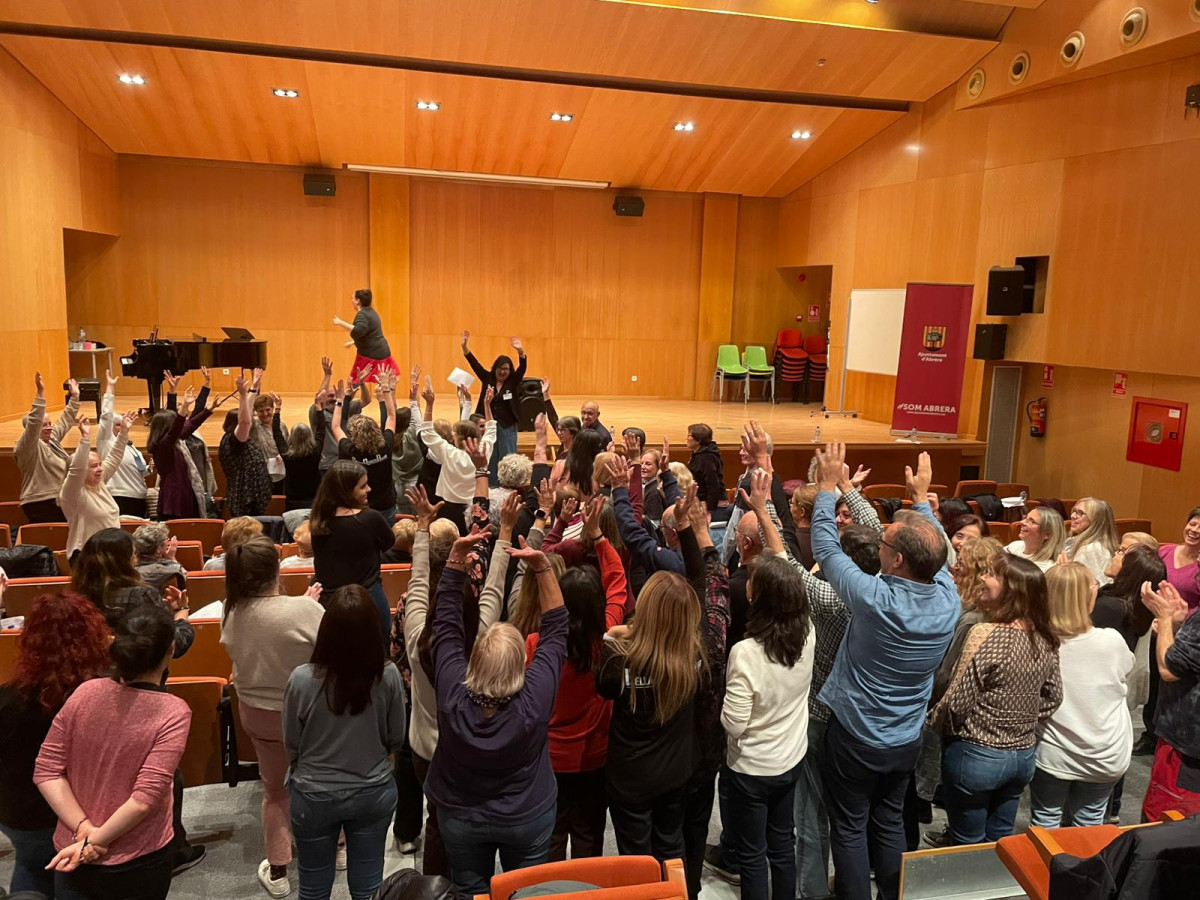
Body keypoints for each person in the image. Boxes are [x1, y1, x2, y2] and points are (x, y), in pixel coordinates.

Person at [811, 443, 959, 900]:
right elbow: (943, 555)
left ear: (896, 561)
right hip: (905, 739)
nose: (879, 542)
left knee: (850, 827)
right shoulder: (949, 595)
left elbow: (824, 546)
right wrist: (921, 499)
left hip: (856, 736)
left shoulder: (875, 600)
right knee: (889, 820)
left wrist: (824, 488)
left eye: (885, 543)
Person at [426, 524, 567, 895]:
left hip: (460, 816)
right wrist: (542, 568)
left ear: (473, 662)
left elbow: (446, 625)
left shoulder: (452, 692)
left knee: (470, 891)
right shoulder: (534, 698)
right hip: (526, 816)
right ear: (522, 664)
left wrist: (455, 561)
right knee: (526, 892)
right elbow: (556, 630)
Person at [34, 603, 191, 900]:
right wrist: (93, 841)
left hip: (72, 844)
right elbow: (144, 800)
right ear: (171, 650)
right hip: (135, 855)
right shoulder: (173, 711)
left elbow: (46, 770)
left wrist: (83, 831)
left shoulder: (85, 691)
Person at [283, 585, 406, 900]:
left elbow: (292, 743)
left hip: (313, 795)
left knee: (312, 887)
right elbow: (396, 737)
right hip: (373, 791)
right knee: (368, 887)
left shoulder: (300, 679)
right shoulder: (388, 676)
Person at [929, 554, 1062, 845]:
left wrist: (943, 727)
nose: (983, 580)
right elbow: (1053, 698)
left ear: (1011, 590)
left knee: (966, 843)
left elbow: (957, 703)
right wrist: (1017, 722)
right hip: (1023, 758)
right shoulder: (1045, 638)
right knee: (1002, 842)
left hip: (976, 755)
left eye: (991, 575)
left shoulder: (985, 634)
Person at [222, 536, 325, 898]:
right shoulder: (304, 610)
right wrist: (306, 607)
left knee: (275, 791)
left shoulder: (230, 609)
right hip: (306, 712)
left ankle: (279, 869)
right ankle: (339, 849)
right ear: (275, 568)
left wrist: (302, 607)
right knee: (324, 780)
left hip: (256, 713)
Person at [526, 498, 627, 861]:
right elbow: (618, 584)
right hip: (595, 758)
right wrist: (597, 536)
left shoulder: (537, 644)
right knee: (588, 834)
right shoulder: (609, 638)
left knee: (552, 836)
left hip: (549, 759)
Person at [0, 591, 112, 897]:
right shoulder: (108, 698)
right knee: (75, 877)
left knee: (32, 865)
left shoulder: (7, 700)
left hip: (20, 819)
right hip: (86, 820)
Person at [720, 554, 815, 900]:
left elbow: (734, 724)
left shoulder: (746, 652)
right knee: (781, 842)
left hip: (752, 769)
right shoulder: (807, 634)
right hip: (791, 759)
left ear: (759, 598)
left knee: (752, 853)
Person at [595, 567, 705, 862]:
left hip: (631, 780)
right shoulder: (695, 656)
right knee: (671, 849)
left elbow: (603, 685)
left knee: (636, 859)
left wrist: (611, 636)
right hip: (675, 773)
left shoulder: (619, 659)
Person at [1029, 563, 1132, 828]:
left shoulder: (1035, 642)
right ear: (1087, 597)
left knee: (1045, 824)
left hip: (1053, 754)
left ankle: (1044, 870)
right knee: (1088, 828)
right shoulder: (1111, 640)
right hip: (1104, 754)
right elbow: (1126, 670)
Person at [71, 528, 195, 659]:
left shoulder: (74, 600)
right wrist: (181, 611)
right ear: (127, 560)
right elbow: (173, 644)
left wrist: (163, 613)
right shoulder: (142, 596)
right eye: (134, 555)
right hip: (132, 675)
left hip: (91, 676)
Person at [310, 460, 395, 639]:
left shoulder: (318, 520)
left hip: (329, 605)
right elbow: (389, 542)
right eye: (363, 486)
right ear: (346, 491)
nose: (369, 489)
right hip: (368, 599)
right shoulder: (370, 518)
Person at [1138, 579, 1200, 819]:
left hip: (1187, 751)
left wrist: (1164, 620)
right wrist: (1176, 627)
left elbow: (1169, 668)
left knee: (1168, 828)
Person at [417, 388, 497, 533]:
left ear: (457, 437)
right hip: (475, 506)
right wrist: (487, 404)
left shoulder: (448, 452)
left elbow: (427, 432)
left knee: (447, 541)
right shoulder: (483, 451)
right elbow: (491, 430)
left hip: (448, 508)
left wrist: (429, 404)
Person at [460, 330, 528, 486]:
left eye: (506, 369)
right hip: (488, 425)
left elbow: (522, 367)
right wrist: (464, 346)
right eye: (500, 368)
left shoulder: (513, 381)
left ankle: (509, 485)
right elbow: (474, 363)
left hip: (507, 426)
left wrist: (520, 351)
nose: (503, 372)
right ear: (495, 368)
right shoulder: (487, 378)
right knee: (488, 455)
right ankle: (489, 485)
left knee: (508, 456)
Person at [60, 415, 132, 559]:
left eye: (99, 464)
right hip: (88, 557)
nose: (100, 469)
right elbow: (77, 470)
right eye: (93, 466)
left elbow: (114, 457)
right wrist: (85, 438)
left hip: (112, 552)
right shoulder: (72, 493)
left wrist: (123, 432)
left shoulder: (99, 484)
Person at [333, 370, 399, 522]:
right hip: (385, 506)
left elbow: (336, 426)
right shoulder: (385, 446)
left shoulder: (349, 450)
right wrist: (385, 390)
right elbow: (391, 416)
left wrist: (341, 400)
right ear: (376, 430)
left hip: (358, 508)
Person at [16, 373, 79, 522]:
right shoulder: (27, 446)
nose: (50, 428)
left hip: (58, 499)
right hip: (41, 502)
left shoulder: (51, 440)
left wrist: (74, 397)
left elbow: (65, 420)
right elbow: (34, 422)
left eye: (50, 424)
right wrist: (40, 393)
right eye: (44, 425)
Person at [147, 385, 215, 521]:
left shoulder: (175, 442)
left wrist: (209, 410)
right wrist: (184, 406)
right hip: (174, 500)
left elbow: (191, 426)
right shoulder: (163, 445)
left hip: (182, 495)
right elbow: (177, 429)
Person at [220, 370, 273, 519]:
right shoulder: (234, 441)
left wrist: (254, 388)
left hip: (250, 498)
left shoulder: (234, 438)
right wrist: (243, 395)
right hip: (245, 501)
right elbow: (245, 421)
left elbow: (246, 415)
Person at [99, 370, 150, 519]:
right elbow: (106, 416)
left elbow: (136, 471)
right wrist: (110, 389)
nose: (121, 427)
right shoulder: (106, 442)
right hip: (120, 498)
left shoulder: (130, 445)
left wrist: (149, 469)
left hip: (138, 497)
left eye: (123, 424)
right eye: (117, 425)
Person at [333, 289, 401, 386]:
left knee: (354, 380)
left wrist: (340, 322)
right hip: (382, 350)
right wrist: (352, 342)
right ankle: (387, 400)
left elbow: (358, 330)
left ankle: (347, 400)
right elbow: (370, 333)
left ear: (358, 301)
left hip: (371, 353)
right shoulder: (371, 312)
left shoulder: (363, 315)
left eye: (352, 298)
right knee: (385, 381)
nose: (351, 300)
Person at [313, 357, 363, 474]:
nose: (334, 398)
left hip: (347, 463)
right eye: (330, 396)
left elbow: (366, 400)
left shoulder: (344, 408)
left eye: (336, 396)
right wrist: (327, 376)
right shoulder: (317, 415)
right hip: (327, 465)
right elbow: (318, 399)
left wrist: (361, 384)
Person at [274, 396, 323, 512]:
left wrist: (277, 409)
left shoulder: (286, 455)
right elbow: (321, 430)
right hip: (314, 498)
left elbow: (276, 433)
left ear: (292, 438)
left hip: (292, 500)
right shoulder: (315, 452)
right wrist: (318, 408)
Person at [1066, 497, 1119, 584]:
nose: (1073, 516)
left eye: (1080, 513)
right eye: (1074, 511)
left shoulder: (1091, 549)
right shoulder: (1077, 542)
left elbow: (1090, 587)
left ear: (1095, 521)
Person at [1158, 507, 1200, 611]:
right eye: (1192, 524)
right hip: (1151, 615)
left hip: (1184, 624)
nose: (1194, 530)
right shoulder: (1164, 551)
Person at [1004, 506, 1066, 572]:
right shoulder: (1015, 546)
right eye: (1025, 518)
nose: (1022, 522)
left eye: (1032, 521)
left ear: (1047, 534)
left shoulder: (1046, 568)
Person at [133, 523, 187, 593]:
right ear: (158, 549)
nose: (167, 543)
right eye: (166, 541)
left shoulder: (125, 570)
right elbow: (189, 581)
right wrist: (172, 558)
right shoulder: (170, 571)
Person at [686, 424, 725, 514]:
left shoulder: (706, 458)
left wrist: (709, 510)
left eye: (689, 436)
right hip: (702, 501)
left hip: (708, 505)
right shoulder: (699, 453)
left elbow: (712, 483)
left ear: (698, 440)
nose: (687, 438)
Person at [253, 392, 288, 490]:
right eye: (261, 411)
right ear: (256, 411)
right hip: (262, 475)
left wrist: (282, 454)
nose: (265, 414)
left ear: (272, 409)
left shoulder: (282, 426)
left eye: (268, 410)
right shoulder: (254, 428)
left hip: (282, 473)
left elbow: (288, 445)